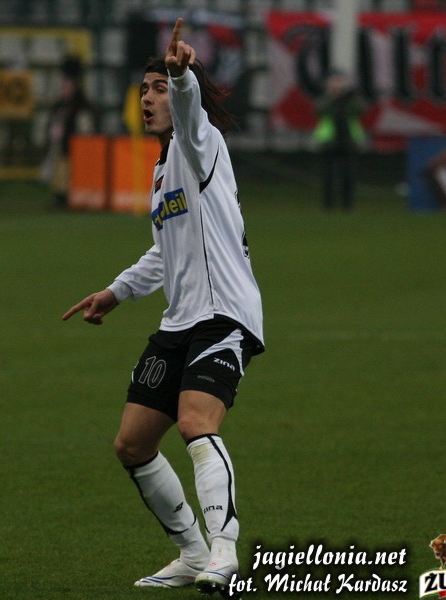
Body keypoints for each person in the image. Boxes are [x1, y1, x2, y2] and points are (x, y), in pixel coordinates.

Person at [62, 18, 264, 597]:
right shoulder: (161, 170)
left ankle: (224, 552)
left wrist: (179, 77)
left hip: (224, 315)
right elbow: (163, 251)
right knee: (132, 444)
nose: (147, 98)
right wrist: (115, 292)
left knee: (197, 422)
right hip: (181, 321)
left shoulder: (201, 144)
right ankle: (192, 552)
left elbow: (190, 110)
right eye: (144, 90)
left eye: (157, 89)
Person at [41, 55, 96, 208]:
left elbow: (85, 131)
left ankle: (67, 196)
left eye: (67, 84)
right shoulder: (59, 105)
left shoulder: (81, 105)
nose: (64, 87)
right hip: (60, 149)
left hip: (73, 151)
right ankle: (60, 195)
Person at [314, 70, 365, 211]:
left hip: (347, 141)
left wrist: (346, 99)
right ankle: (328, 204)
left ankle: (347, 204)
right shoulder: (325, 100)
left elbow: (361, 110)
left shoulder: (350, 100)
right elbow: (319, 110)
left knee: (348, 175)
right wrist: (334, 99)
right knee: (328, 175)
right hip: (329, 141)